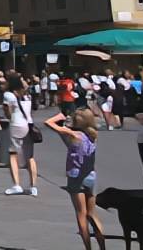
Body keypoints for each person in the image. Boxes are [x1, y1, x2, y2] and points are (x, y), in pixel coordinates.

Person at [46, 106, 106, 250]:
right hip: (91, 176)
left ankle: (88, 248)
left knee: (81, 214)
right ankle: (102, 246)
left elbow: (48, 123)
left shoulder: (73, 135)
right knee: (92, 214)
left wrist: (61, 116)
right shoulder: (93, 135)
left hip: (76, 178)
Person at [1, 71, 39, 195]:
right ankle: (33, 186)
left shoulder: (8, 95)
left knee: (13, 154)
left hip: (16, 124)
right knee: (30, 156)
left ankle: (16, 185)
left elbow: (7, 112)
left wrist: (8, 116)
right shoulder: (27, 95)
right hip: (29, 124)